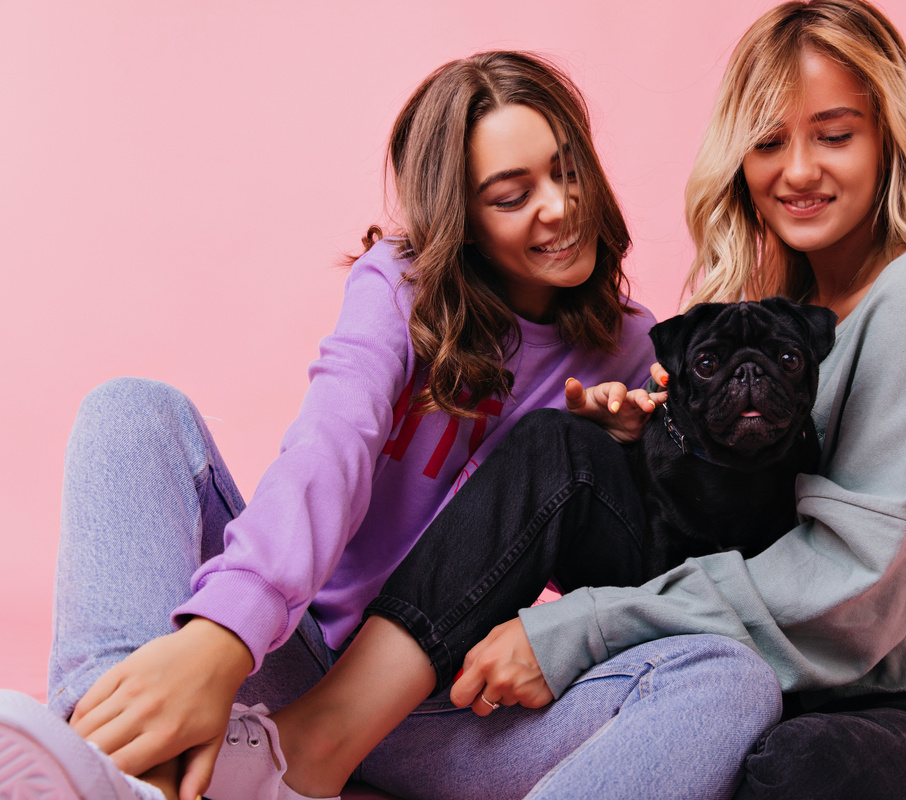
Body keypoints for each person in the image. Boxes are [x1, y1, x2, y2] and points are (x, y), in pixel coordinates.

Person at [248, 1, 906, 798]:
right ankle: (320, 740)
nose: (798, 171)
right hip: (757, 654)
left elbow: (858, 597)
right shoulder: (766, 312)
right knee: (558, 449)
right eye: (768, 142)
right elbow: (712, 531)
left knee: (789, 767)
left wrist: (578, 628)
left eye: (834, 135)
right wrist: (642, 447)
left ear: (888, 138)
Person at [0, 50, 784, 800]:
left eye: (568, 170)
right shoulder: (402, 287)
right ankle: (111, 761)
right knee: (132, 410)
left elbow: (635, 544)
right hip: (289, 648)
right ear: (463, 219)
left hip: (449, 703)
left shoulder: (633, 345)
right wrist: (224, 634)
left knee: (728, 679)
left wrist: (630, 453)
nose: (558, 207)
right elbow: (329, 450)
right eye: (512, 195)